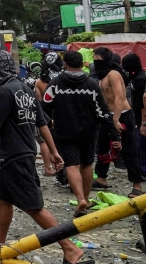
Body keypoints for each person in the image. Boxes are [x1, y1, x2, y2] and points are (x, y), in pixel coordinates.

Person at [0, 51, 87, 264]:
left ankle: (70, 248)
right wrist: (54, 151)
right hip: (21, 153)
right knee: (4, 197)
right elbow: (42, 123)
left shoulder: (5, 91)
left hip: (15, 156)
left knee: (33, 206)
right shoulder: (25, 90)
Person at [42, 51, 120, 215]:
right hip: (89, 132)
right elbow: (103, 111)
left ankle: (80, 199)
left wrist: (47, 126)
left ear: (65, 64)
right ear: (81, 64)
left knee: (71, 165)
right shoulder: (91, 84)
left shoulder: (55, 84)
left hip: (64, 132)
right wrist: (115, 135)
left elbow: (45, 108)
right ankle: (86, 197)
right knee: (86, 165)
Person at [91, 47, 142, 196]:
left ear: (106, 60)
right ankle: (101, 179)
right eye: (95, 59)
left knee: (128, 150)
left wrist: (116, 120)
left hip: (123, 115)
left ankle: (137, 185)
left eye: (98, 59)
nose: (96, 62)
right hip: (107, 116)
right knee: (102, 148)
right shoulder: (101, 76)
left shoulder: (113, 74)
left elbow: (120, 98)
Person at [124, 54, 146, 179]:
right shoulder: (135, 78)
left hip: (142, 118)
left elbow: (143, 103)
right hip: (138, 117)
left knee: (142, 145)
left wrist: (143, 122)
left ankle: (143, 170)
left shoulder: (140, 80)